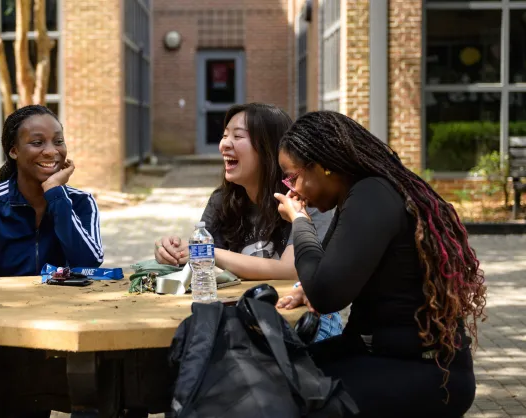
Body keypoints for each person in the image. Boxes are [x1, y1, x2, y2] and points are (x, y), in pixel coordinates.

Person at [273, 111, 484, 417]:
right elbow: (325, 277)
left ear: (324, 166)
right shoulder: (357, 194)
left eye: (292, 177)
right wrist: (309, 288)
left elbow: (327, 294)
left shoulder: (372, 194)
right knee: (275, 376)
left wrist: (300, 222)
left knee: (291, 399)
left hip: (424, 372)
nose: (292, 190)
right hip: (380, 354)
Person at [153, 102, 341, 341]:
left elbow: (291, 270)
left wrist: (205, 252)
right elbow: (202, 265)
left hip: (305, 326)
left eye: (237, 136)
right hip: (245, 324)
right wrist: (172, 254)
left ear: (269, 148)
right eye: (224, 136)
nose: (224, 144)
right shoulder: (222, 201)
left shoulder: (306, 199)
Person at [0, 104, 103, 277]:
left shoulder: (81, 201)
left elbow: (90, 263)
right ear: (14, 151)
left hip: (65, 302)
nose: (51, 151)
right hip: (5, 302)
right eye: (37, 143)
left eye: (58, 141)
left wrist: (56, 194)